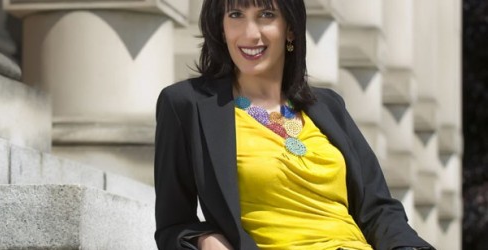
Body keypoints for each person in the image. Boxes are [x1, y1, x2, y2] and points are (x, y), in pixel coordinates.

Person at [153, 0, 435, 249]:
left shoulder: (328, 106)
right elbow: (172, 225)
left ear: (290, 29)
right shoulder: (187, 105)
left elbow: (378, 208)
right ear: (221, 27)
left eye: (266, 15)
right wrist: (205, 240)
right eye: (236, 15)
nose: (251, 34)